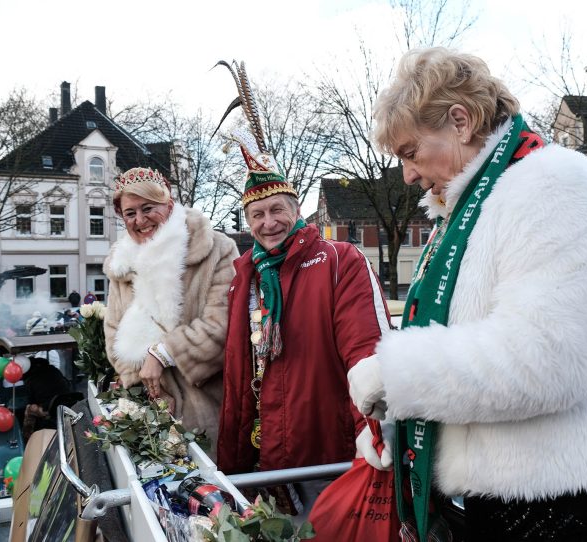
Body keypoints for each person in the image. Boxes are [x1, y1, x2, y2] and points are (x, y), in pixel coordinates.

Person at [347, 47, 587, 540]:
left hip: (582, 499)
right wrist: (403, 424)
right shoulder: (474, 207)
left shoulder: (555, 187)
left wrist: (396, 374)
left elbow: (544, 360)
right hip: (522, 496)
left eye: (410, 153)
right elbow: (466, 345)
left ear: (460, 120)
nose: (408, 174)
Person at [213, 61, 390, 513]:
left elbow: (367, 352)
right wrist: (231, 467)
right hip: (263, 459)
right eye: (257, 215)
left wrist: (372, 434)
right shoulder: (243, 276)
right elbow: (236, 374)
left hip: (325, 457)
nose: (268, 222)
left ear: (296, 209)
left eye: (277, 210)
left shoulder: (337, 261)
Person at [103, 166, 238, 449]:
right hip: (150, 416)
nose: (140, 220)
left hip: (209, 408)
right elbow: (113, 332)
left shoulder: (216, 249)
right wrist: (145, 390)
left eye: (148, 208)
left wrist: (163, 353)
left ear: (169, 205)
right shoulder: (122, 264)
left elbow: (224, 324)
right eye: (130, 213)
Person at [21, 356, 81, 441]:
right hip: (68, 401)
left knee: (29, 409)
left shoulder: (30, 380)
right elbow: (67, 384)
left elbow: (31, 400)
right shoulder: (54, 370)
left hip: (49, 409)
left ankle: (27, 438)